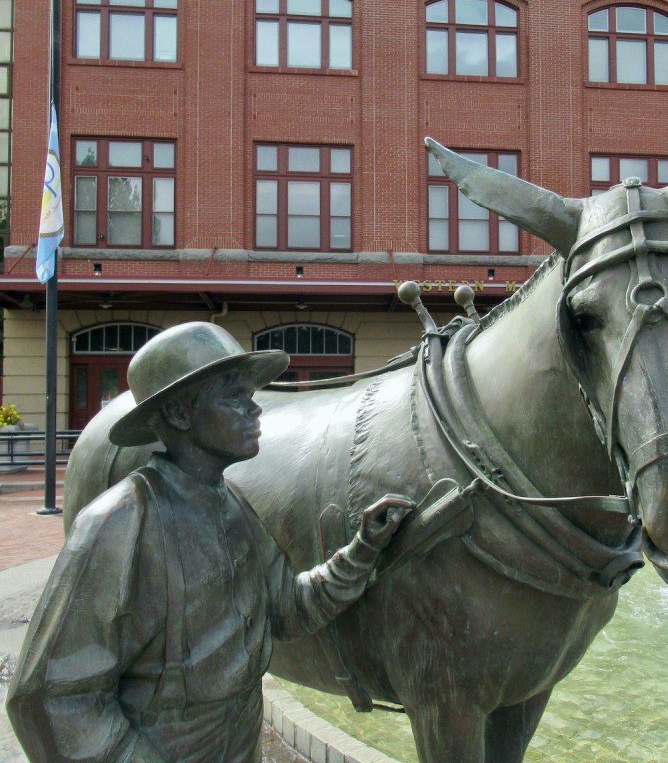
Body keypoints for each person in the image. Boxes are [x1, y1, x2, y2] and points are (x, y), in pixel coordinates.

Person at [6, 322, 414, 763]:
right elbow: (48, 698)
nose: (255, 410)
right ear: (181, 414)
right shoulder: (118, 525)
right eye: (234, 396)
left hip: (238, 738)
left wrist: (363, 549)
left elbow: (291, 607)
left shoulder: (231, 506)